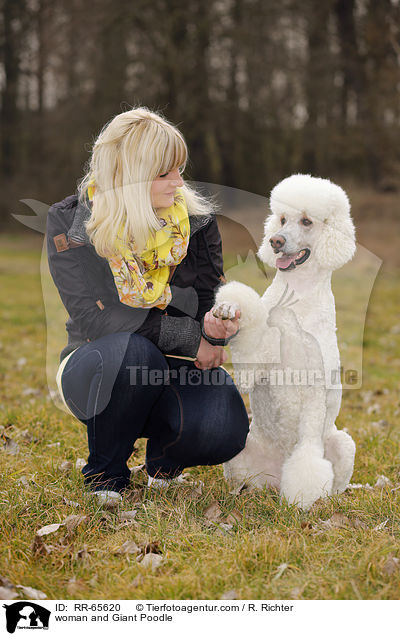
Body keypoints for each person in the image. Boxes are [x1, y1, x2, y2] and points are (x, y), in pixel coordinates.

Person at [47, 107, 249, 505]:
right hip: (98, 364)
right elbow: (97, 319)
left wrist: (216, 327)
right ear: (127, 174)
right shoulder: (71, 222)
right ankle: (106, 473)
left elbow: (209, 300)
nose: (178, 183)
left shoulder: (197, 223)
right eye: (164, 173)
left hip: (178, 365)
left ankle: (163, 461)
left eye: (179, 169)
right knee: (133, 351)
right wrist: (195, 339)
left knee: (222, 428)